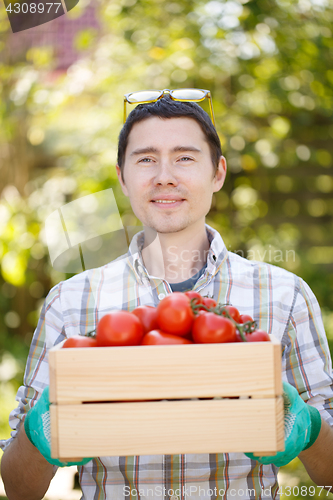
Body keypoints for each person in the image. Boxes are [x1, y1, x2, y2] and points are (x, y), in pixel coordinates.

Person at [1, 89, 333, 500]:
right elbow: (18, 488)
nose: (164, 176)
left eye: (185, 157)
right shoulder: (69, 302)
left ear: (218, 173)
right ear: (122, 176)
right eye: (145, 159)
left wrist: (310, 429)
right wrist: (40, 434)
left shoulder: (284, 296)